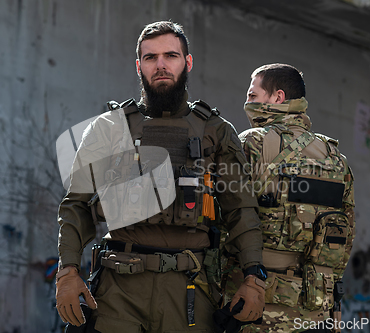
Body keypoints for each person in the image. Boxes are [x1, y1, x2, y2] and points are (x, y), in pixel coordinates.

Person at [55, 21, 267, 333]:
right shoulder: (109, 128)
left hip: (190, 292)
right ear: (139, 66)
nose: (161, 65)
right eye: (151, 58)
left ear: (188, 62)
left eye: (171, 55)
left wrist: (253, 277)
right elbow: (75, 204)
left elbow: (241, 209)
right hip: (117, 293)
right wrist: (67, 271)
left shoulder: (216, 131)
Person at [222, 64, 355, 333]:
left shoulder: (253, 143)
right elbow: (346, 231)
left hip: (256, 302)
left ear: (278, 98)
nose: (247, 103)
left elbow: (226, 216)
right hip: (316, 305)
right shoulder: (336, 159)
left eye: (252, 96)